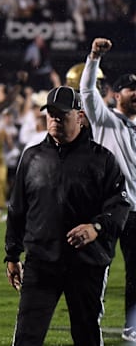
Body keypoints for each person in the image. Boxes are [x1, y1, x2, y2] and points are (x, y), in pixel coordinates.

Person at [5, 85, 130, 346]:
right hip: (41, 261)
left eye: (62, 114)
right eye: (51, 114)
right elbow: (17, 209)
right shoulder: (32, 157)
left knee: (86, 334)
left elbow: (119, 205)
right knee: (27, 335)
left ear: (80, 117)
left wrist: (96, 227)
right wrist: (12, 254)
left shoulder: (102, 159)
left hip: (87, 263)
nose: (55, 120)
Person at [79, 37, 136, 342]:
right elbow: (87, 92)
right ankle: (91, 324)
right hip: (107, 209)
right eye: (131, 88)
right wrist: (93, 58)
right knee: (98, 270)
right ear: (116, 95)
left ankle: (132, 325)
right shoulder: (105, 121)